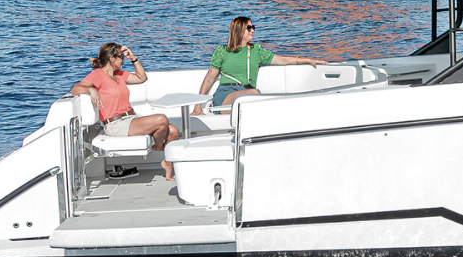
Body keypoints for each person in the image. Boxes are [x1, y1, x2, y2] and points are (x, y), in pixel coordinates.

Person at [71, 42, 179, 179]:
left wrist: (133, 58)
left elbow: (142, 78)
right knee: (161, 119)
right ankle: (158, 148)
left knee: (173, 131)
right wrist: (91, 89)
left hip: (131, 118)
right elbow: (75, 89)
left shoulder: (120, 75)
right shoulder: (98, 75)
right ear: (112, 59)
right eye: (121, 57)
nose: (123, 59)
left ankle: (167, 164)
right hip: (115, 124)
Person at [197, 16, 325, 110]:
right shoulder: (222, 51)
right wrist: (197, 107)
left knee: (252, 98)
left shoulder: (256, 51)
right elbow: (209, 79)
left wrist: (307, 60)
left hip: (246, 94)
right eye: (249, 28)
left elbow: (283, 60)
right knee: (254, 94)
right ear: (239, 30)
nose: (252, 30)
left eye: (253, 27)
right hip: (226, 94)